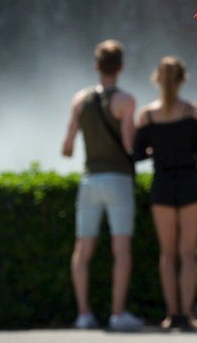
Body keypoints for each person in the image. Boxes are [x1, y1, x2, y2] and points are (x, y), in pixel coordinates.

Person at [60, 39, 143, 331]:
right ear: (120, 67)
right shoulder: (126, 101)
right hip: (118, 179)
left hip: (90, 179)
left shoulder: (79, 100)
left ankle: (84, 313)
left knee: (83, 249)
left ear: (96, 66)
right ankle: (117, 314)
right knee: (121, 249)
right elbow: (130, 145)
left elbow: (67, 147)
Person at [133, 56, 197, 331]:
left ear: (158, 79)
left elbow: (137, 152)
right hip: (189, 182)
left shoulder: (147, 115)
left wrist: (158, 150)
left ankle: (171, 315)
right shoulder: (194, 112)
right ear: (182, 79)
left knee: (167, 254)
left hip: (162, 184)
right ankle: (188, 314)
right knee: (187, 254)